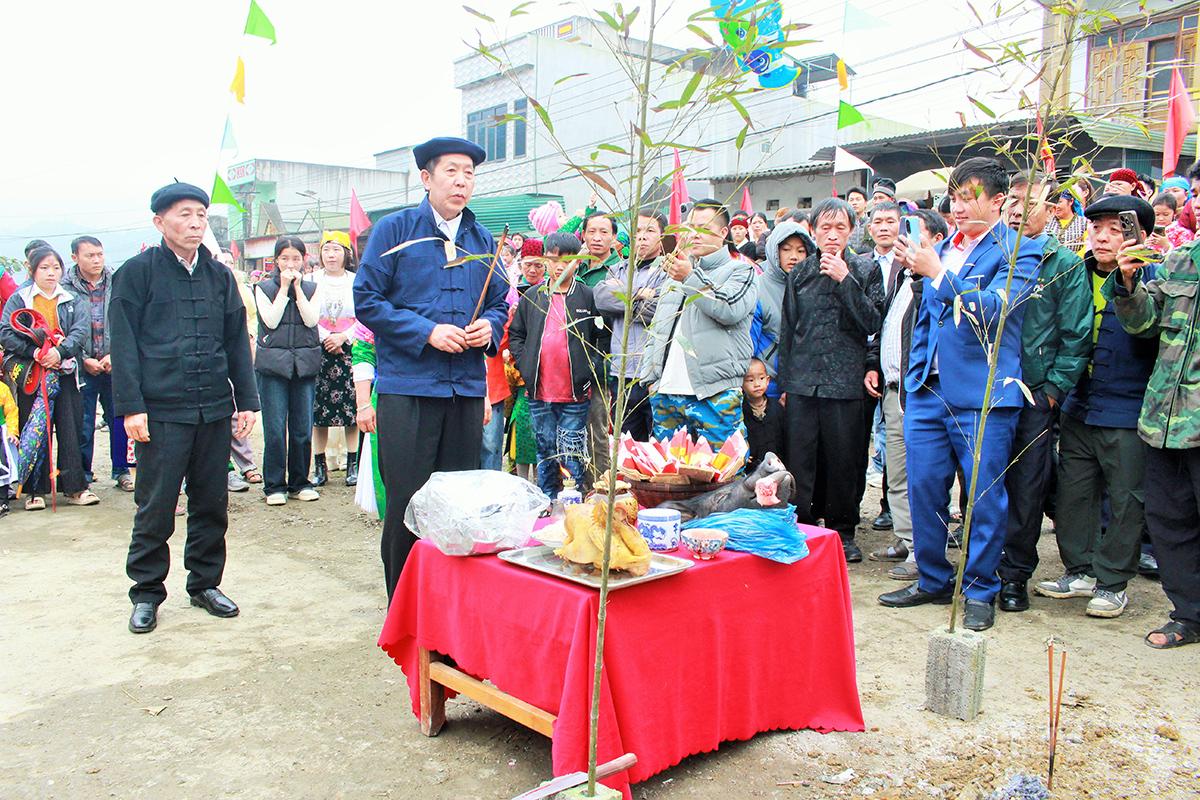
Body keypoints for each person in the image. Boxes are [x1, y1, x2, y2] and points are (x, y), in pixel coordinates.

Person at [877, 158, 1041, 632]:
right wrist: (913, 377)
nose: (960, 205)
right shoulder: (942, 247)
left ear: (996, 201)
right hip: (928, 391)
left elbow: (996, 309)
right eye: (956, 196)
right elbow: (923, 321)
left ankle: (980, 589)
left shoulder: (1019, 251)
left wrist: (938, 275)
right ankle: (932, 576)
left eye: (971, 196)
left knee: (983, 496)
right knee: (924, 488)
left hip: (982, 395)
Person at [354, 137, 508, 600]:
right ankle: (402, 605)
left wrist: (488, 326)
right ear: (427, 178)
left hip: (462, 389)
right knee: (409, 500)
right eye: (452, 172)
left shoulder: (483, 240)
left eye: (469, 173)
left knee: (455, 502)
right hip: (409, 387)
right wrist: (426, 331)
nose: (462, 181)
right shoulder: (395, 230)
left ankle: (445, 604)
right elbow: (367, 300)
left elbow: (500, 303)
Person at [110, 181, 258, 634]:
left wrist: (246, 401)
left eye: (200, 215)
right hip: (161, 411)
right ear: (160, 222)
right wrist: (132, 408)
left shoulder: (218, 275)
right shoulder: (136, 273)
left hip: (213, 408)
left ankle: (204, 584)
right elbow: (125, 343)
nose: (195, 223)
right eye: (184, 214)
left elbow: (236, 340)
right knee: (155, 505)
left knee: (212, 502)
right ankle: (147, 591)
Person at [996, 176, 1093, 613]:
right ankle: (981, 568)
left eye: (1027, 202)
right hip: (988, 395)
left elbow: (1076, 336)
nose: (1017, 210)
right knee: (983, 485)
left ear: (1052, 210)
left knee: (1027, 488)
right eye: (1012, 201)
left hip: (1034, 397)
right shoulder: (993, 254)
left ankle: (1015, 575)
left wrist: (1052, 392)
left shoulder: (1064, 266)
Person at [1107, 220, 1200, 647]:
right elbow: (1144, 325)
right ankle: (1189, 615)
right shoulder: (1181, 260)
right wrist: (1129, 284)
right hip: (1165, 419)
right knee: (1169, 520)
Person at [777, 197, 883, 563]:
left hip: (845, 382)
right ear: (813, 231)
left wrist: (844, 280)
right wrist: (786, 384)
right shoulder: (800, 273)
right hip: (805, 381)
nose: (832, 235)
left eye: (840, 228)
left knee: (844, 459)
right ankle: (804, 525)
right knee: (801, 458)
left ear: (852, 231)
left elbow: (873, 322)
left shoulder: (865, 270)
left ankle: (843, 530)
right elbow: (788, 331)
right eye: (825, 227)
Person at [865, 210, 949, 581]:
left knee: (922, 475)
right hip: (893, 390)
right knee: (896, 472)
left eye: (915, 236)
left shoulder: (937, 282)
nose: (905, 243)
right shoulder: (900, 278)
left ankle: (923, 550)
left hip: (922, 392)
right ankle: (905, 538)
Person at [641, 200, 757, 448]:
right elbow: (658, 328)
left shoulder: (740, 271)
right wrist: (651, 377)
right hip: (666, 391)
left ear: (723, 232)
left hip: (714, 392)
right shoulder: (677, 273)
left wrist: (690, 277)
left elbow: (728, 308)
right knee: (668, 475)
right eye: (691, 228)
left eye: (703, 228)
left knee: (722, 471)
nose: (694, 234)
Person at [0, 246, 99, 510]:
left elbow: (80, 331)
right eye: (44, 268)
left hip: (66, 372)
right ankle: (35, 491)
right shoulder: (19, 299)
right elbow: (6, 333)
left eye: (56, 267)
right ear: (32, 270)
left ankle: (75, 487)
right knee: (34, 428)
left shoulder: (72, 299)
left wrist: (59, 352)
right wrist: (33, 351)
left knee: (70, 427)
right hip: (34, 373)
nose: (51, 273)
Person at [508, 232, 599, 498]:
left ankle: (572, 500)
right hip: (539, 390)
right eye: (554, 259)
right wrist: (525, 364)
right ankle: (547, 499)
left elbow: (601, 338)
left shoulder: (587, 297)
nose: (560, 265)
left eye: (568, 260)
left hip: (575, 391)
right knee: (545, 447)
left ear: (578, 263)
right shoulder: (533, 296)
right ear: (546, 260)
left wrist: (589, 368)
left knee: (571, 448)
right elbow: (517, 334)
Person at [254, 236, 321, 506]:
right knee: (274, 428)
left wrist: (298, 290)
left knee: (303, 427)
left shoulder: (313, 287)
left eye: (296, 258)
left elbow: (311, 319)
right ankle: (274, 485)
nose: (290, 264)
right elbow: (270, 320)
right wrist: (283, 288)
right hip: (273, 366)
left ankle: (300, 481)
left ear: (304, 260)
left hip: (304, 364)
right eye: (285, 258)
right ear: (276, 260)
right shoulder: (263, 287)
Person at [63, 235, 133, 491]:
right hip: (81, 364)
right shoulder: (65, 287)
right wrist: (84, 359)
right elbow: (62, 328)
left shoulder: (117, 281)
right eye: (89, 255)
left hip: (115, 362)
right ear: (75, 258)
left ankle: (121, 470)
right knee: (83, 421)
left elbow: (127, 320)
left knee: (120, 417)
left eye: (99, 254)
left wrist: (116, 354)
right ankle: (84, 473)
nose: (96, 260)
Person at [593, 210, 669, 441]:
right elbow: (601, 299)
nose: (642, 237)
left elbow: (659, 310)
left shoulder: (666, 271)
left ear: (662, 236)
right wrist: (638, 294)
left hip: (655, 373)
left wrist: (625, 303)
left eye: (650, 231)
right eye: (637, 231)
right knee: (627, 445)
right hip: (622, 372)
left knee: (659, 445)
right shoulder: (617, 270)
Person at [311, 230, 360, 487]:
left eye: (337, 250)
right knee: (319, 411)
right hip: (318, 348)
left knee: (350, 409)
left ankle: (352, 464)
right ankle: (319, 467)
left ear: (346, 254)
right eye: (327, 250)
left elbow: (364, 314)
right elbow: (305, 313)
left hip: (349, 348)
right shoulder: (311, 280)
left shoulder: (356, 280)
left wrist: (343, 337)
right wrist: (327, 336)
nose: (331, 255)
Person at [576, 213, 621, 485]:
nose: (597, 237)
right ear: (583, 235)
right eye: (592, 231)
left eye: (604, 232)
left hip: (601, 360)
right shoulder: (577, 267)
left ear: (614, 238)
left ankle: (601, 487)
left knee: (597, 430)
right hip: (573, 359)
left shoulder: (618, 270)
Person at [218, 250, 262, 491]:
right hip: (212, 362)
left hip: (240, 353)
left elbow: (251, 319)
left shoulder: (243, 291)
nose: (226, 267)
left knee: (237, 413)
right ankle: (226, 471)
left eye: (230, 263)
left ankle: (246, 464)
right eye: (221, 262)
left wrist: (251, 337)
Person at [742, 358, 783, 468]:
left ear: (768, 380)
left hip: (777, 465)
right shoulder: (740, 411)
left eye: (761, 378)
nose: (757, 384)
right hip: (752, 468)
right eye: (750, 380)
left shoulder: (777, 407)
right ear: (741, 383)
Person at [846, 187, 870, 253]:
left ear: (865, 203)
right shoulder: (844, 224)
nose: (854, 203)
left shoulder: (872, 223)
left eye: (858, 199)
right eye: (851, 200)